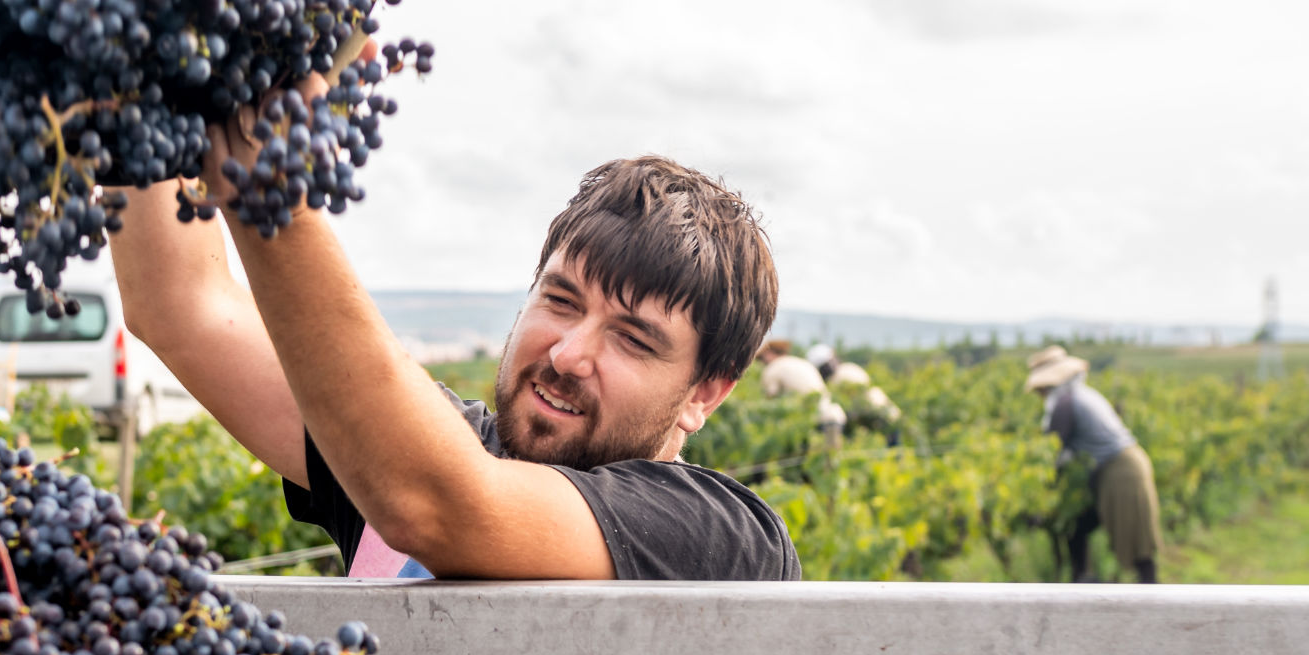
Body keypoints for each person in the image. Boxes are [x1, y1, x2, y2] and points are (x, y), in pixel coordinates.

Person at [109, 119, 798, 581]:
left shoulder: (725, 538)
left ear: (705, 392)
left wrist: (264, 175)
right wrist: (139, 82)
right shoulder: (406, 447)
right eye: (560, 301)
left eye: (633, 339)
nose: (567, 353)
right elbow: (184, 303)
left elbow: (436, 506)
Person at [1025, 346, 1160, 583]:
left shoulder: (1066, 404)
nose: (1040, 394)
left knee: (1136, 542)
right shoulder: (1080, 395)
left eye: (1041, 389)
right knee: (1079, 527)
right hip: (1122, 467)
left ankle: (1154, 601)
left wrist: (1038, 500)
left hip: (1121, 472)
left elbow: (1053, 454)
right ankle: (1084, 582)